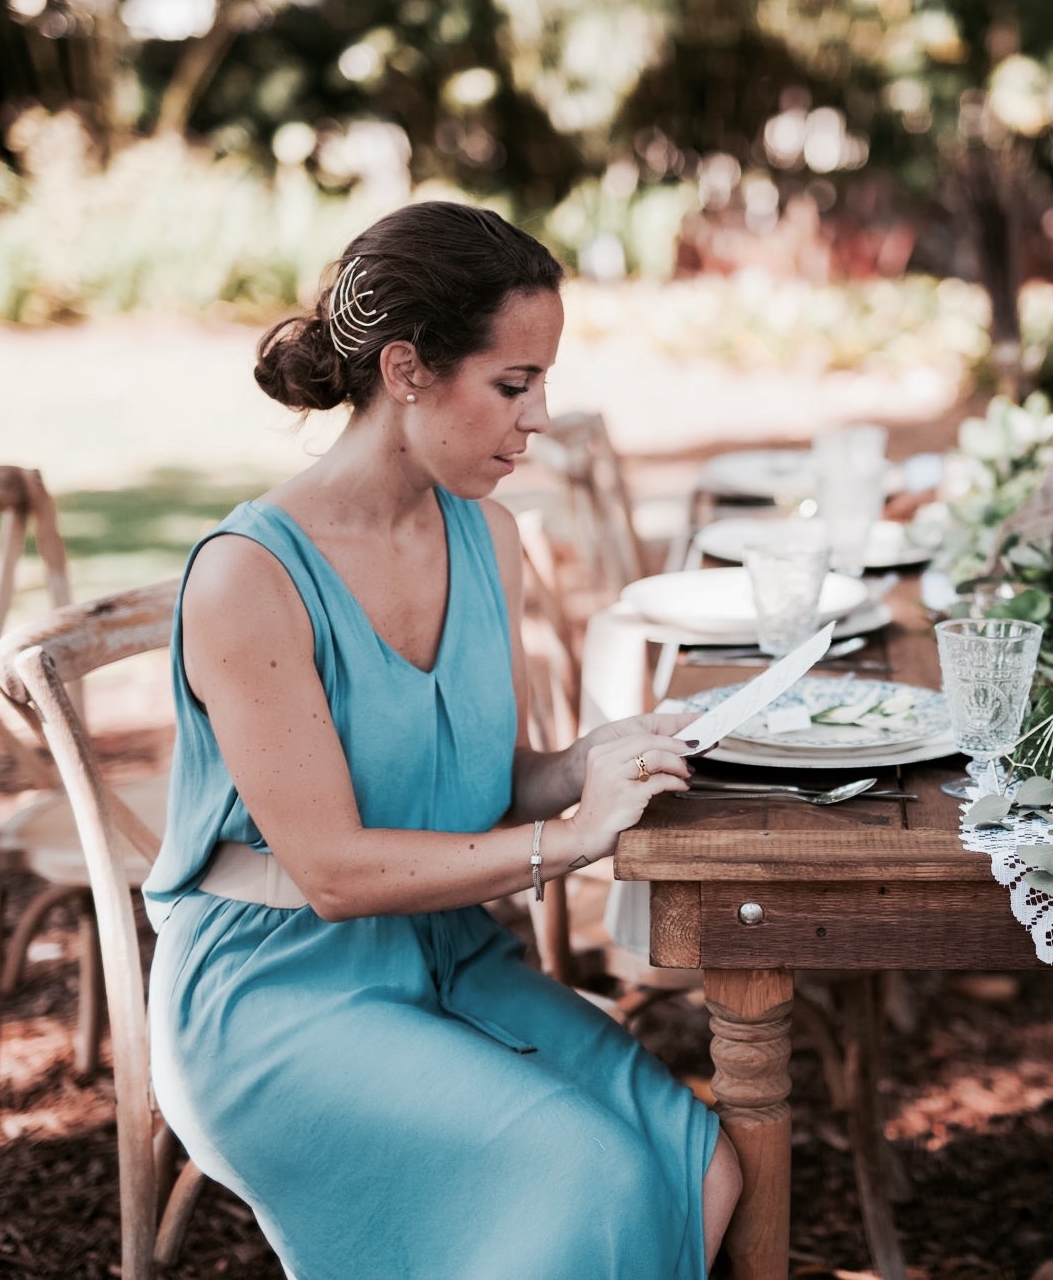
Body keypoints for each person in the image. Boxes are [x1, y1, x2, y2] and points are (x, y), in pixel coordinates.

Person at [142, 200, 740, 1277]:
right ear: (408, 369)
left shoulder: (488, 533)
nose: (540, 417)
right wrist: (571, 841)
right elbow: (329, 871)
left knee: (703, 1165)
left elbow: (485, 777)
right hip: (274, 994)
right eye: (513, 384)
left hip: (449, 952)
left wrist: (602, 757)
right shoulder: (249, 576)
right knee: (587, 1174)